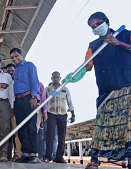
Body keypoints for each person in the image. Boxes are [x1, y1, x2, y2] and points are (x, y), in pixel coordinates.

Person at [73, 12, 131, 169]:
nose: (95, 28)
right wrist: (76, 74)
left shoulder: (126, 34)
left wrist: (119, 43)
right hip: (106, 91)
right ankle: (94, 159)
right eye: (92, 27)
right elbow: (88, 66)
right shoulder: (93, 46)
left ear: (107, 21)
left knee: (128, 126)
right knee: (101, 126)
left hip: (127, 87)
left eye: (98, 24)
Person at [10, 48, 39, 163]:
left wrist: (34, 97)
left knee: (31, 127)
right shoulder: (15, 70)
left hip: (28, 99)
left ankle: (33, 154)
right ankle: (25, 153)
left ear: (22, 55)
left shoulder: (29, 65)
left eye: (16, 56)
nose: (14, 59)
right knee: (21, 127)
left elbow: (34, 81)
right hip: (18, 101)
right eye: (12, 58)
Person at [44, 71, 75, 163]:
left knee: (62, 137)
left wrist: (73, 114)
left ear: (60, 78)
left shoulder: (65, 89)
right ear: (51, 78)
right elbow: (44, 102)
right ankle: (48, 156)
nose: (55, 79)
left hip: (62, 114)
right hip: (51, 113)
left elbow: (69, 101)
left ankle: (59, 157)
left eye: (57, 77)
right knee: (50, 135)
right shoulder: (48, 89)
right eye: (54, 77)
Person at [6, 63, 22, 161]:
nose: (11, 73)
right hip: (5, 109)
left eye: (12, 71)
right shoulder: (7, 81)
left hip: (16, 109)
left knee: (17, 133)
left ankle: (17, 153)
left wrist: (12, 108)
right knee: (7, 133)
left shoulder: (19, 81)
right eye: (9, 71)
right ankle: (7, 154)